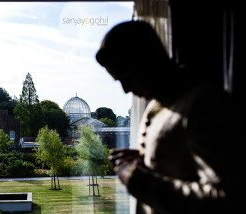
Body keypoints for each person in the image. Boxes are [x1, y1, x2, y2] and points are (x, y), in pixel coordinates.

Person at [95, 20, 245, 214]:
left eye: (127, 76)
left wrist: (137, 180)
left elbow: (226, 202)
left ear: (147, 57)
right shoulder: (154, 107)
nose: (125, 90)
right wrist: (146, 160)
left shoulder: (205, 103)